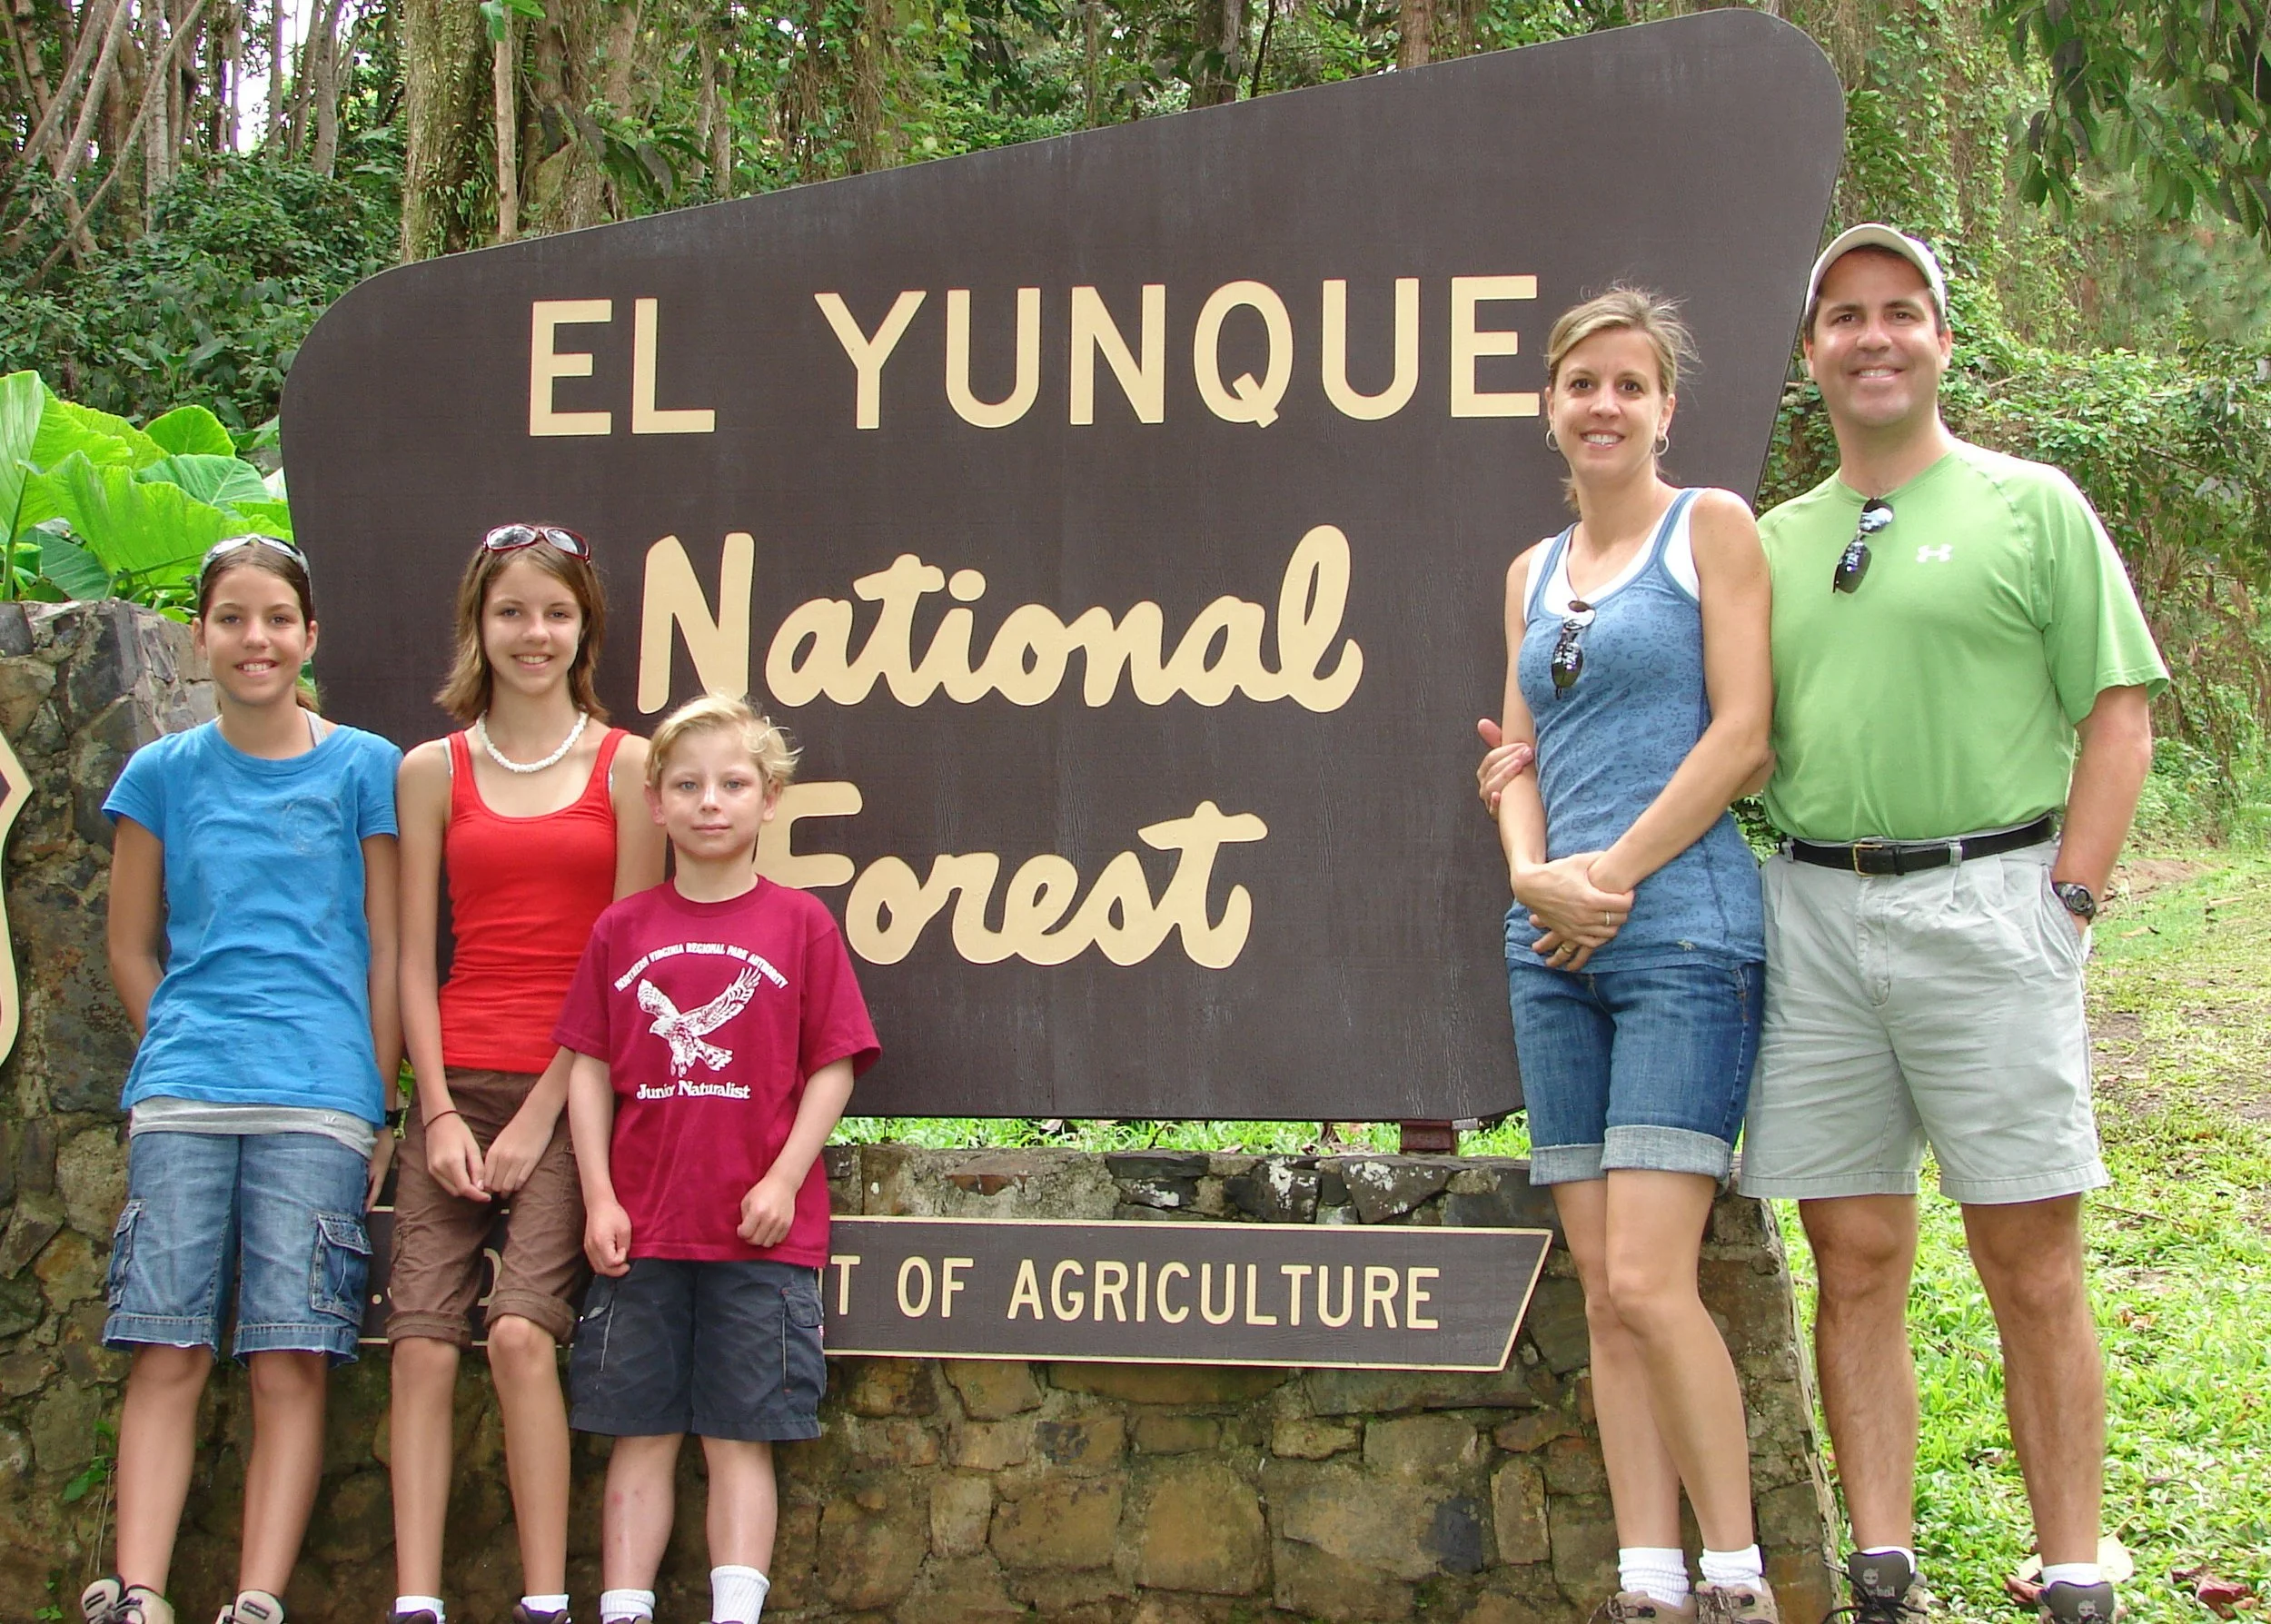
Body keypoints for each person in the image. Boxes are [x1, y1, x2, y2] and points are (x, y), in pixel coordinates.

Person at [1483, 228, 2167, 1624]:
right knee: (1854, 1253)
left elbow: (2119, 711)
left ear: (1940, 341)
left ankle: (2079, 1563)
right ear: (1811, 355)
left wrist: (2072, 901)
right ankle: (1882, 1564)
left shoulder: (2028, 505)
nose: (1873, 337)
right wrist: (1524, 817)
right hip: (1810, 907)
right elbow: (1590, 719)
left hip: (1987, 902)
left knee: (2028, 1255)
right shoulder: (1778, 534)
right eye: (1845, 318)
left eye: (1900, 314)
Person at [1493, 288, 1779, 1624]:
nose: (1602, 405)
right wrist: (1534, 874)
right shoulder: (1529, 574)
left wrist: (1608, 878)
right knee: (1605, 1290)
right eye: (1580, 384)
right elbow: (1514, 758)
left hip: (1680, 932)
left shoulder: (1708, 527)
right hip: (1550, 946)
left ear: (1666, 407)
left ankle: (1734, 1576)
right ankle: (1646, 1580)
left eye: (1629, 385)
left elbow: (1741, 738)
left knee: (1658, 1278)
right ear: (1549, 406)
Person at [87, 536, 402, 1624]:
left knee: (290, 1356)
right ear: (199, 636)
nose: (255, 639)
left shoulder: (368, 767)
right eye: (232, 619)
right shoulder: (161, 775)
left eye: (277, 618)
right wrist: (171, 1038)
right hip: (184, 1096)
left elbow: (389, 950)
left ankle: (257, 1599)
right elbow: (133, 944)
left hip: (320, 1100)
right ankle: (139, 1594)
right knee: (165, 1345)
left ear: (309, 636)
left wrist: (382, 1102)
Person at [386, 524, 666, 1624]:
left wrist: (542, 1112)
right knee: (417, 1346)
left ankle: (544, 1599)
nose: (532, 633)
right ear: (479, 624)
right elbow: (415, 957)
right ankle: (417, 1599)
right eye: (511, 612)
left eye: (554, 612)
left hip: (573, 1089)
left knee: (514, 1335)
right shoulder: (430, 771)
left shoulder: (629, 765)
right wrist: (440, 1109)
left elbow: (622, 958)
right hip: (457, 1086)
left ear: (583, 624)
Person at [557, 692, 879, 1624]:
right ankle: (624, 1606)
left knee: (743, 1437)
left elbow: (834, 1064)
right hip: (644, 1231)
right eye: (688, 786)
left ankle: (734, 1611)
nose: (710, 802)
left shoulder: (800, 926)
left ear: (769, 798)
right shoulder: (622, 929)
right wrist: (598, 1198)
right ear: (654, 802)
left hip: (760, 1239)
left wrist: (784, 1177)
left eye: (733, 784)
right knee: (640, 1433)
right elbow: (588, 1071)